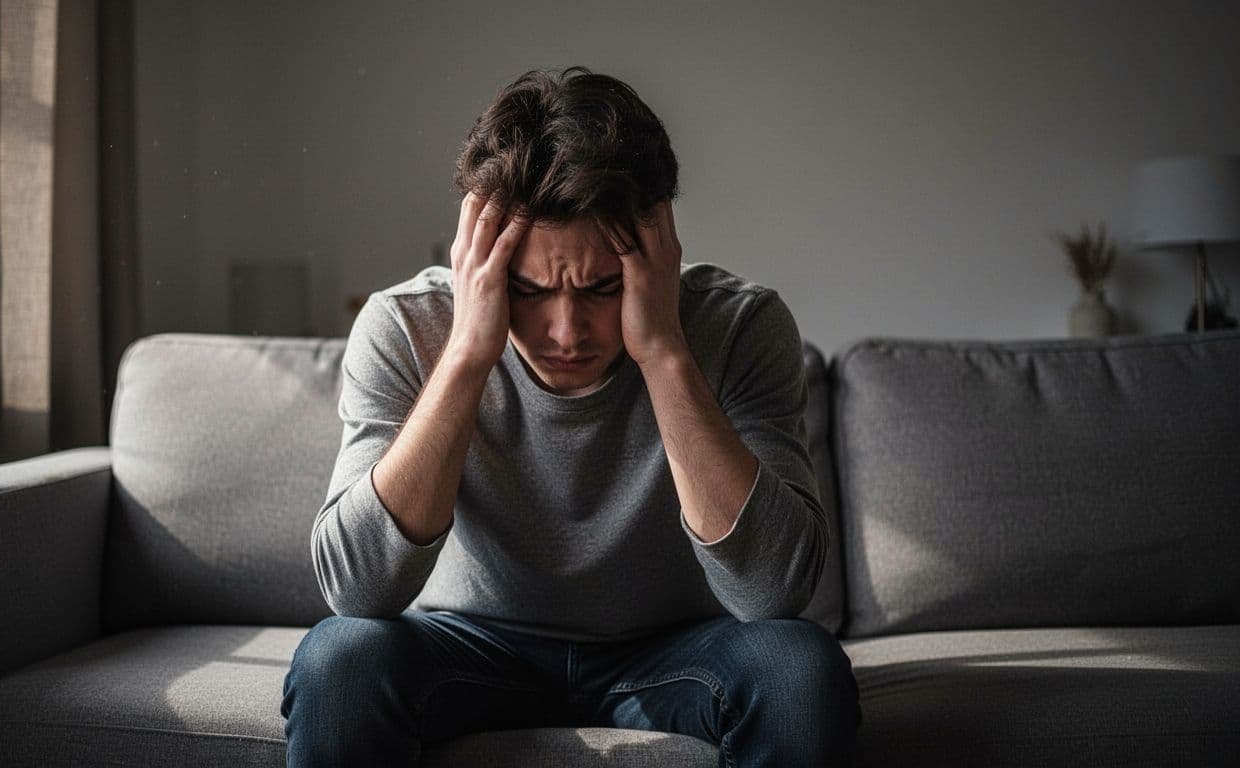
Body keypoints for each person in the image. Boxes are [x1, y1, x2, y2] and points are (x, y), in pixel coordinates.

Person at [281, 66, 859, 767]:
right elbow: (357, 589)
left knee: (798, 668)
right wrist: (467, 353)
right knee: (339, 661)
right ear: (479, 261)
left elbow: (774, 592)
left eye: (601, 288)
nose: (566, 331)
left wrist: (666, 353)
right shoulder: (406, 326)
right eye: (528, 289)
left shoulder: (740, 326)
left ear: (659, 251)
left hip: (673, 649)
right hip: (469, 644)